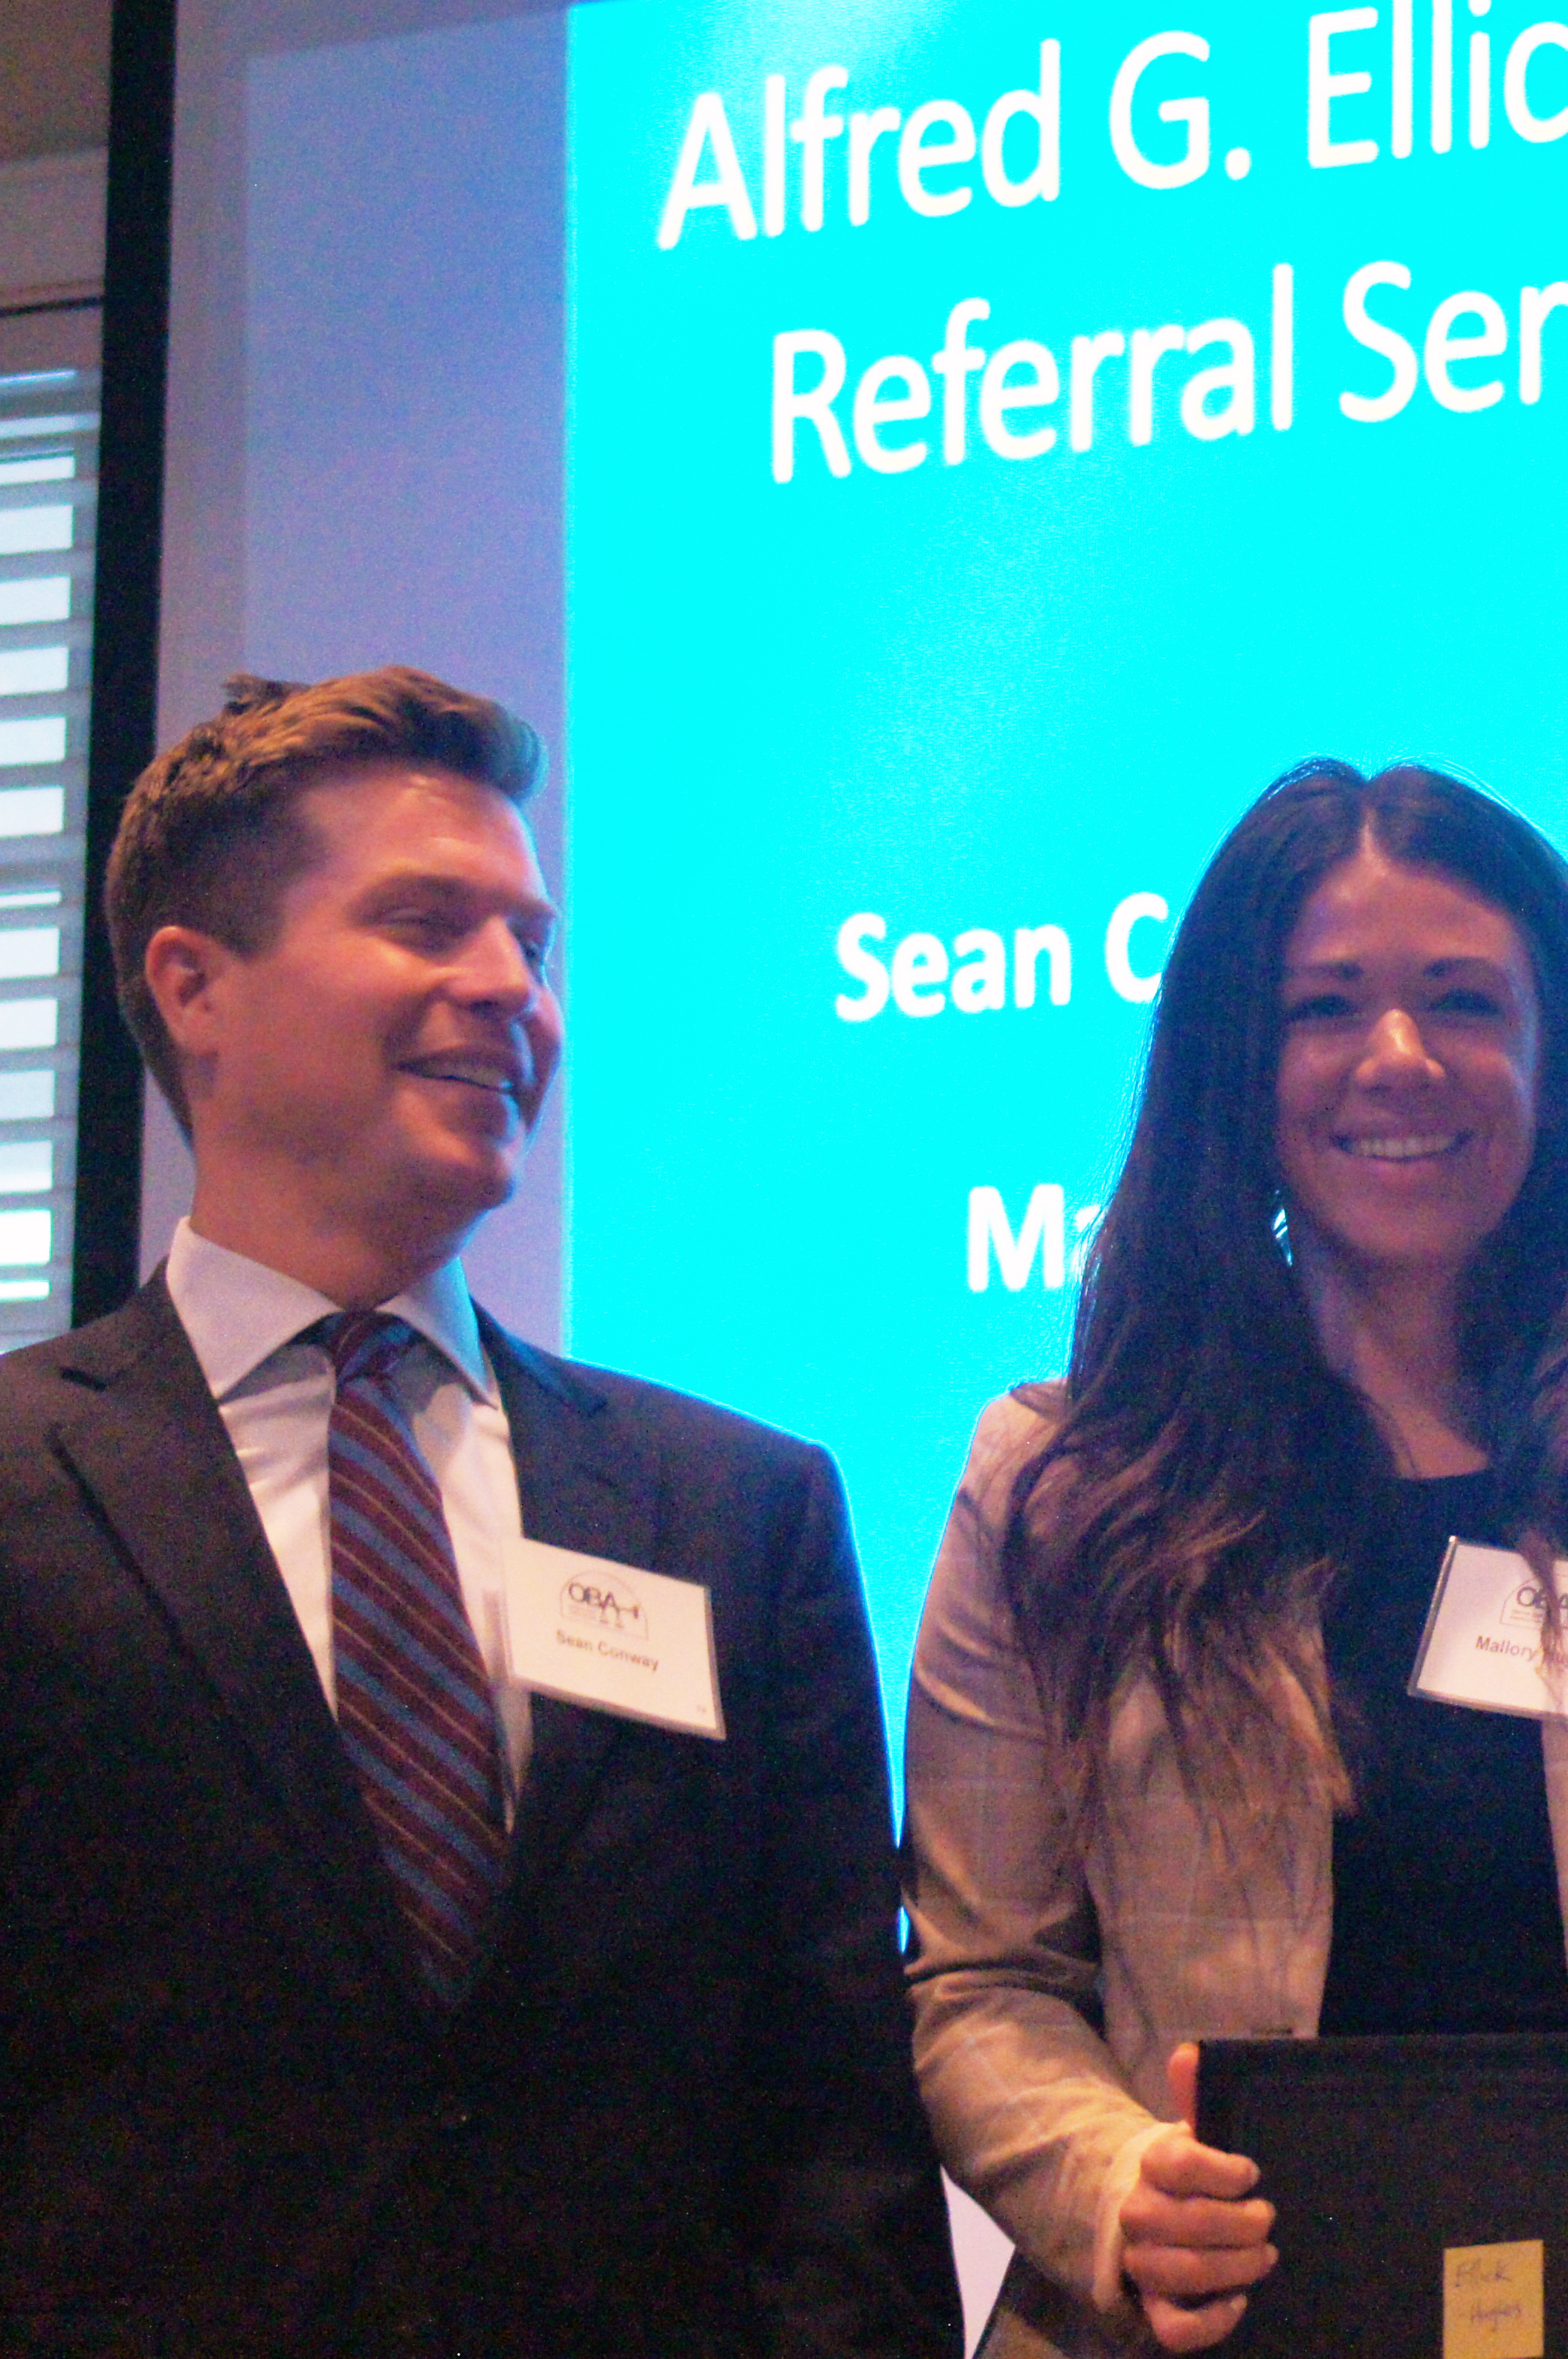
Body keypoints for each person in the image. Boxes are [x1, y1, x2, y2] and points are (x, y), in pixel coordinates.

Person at [903, 761, 1568, 2359]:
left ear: (1557, 1051)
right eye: (1323, 1007)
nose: (1396, 1059)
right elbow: (981, 1983)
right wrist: (1118, 2187)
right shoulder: (1061, 1482)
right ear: (1231, 1068)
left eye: (1462, 1000)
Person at [0, 669, 960, 2353]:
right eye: (428, 922)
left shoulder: (734, 1511)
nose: (513, 989)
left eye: (535, 942)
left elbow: (837, 2132)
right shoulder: (22, 1481)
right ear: (194, 986)